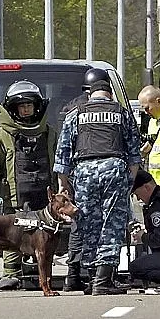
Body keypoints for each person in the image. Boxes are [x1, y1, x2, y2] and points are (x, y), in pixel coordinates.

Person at [54, 79, 142, 295]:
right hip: (114, 168)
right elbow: (134, 151)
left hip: (84, 172)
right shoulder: (121, 112)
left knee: (88, 224)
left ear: (90, 95)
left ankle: (92, 278)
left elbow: (63, 148)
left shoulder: (76, 113)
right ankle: (104, 280)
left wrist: (63, 182)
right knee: (111, 224)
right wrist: (128, 181)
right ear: (110, 94)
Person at [0, 81, 57, 290]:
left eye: (29, 105)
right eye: (21, 106)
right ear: (12, 109)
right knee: (13, 233)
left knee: (44, 234)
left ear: (37, 107)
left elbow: (58, 161)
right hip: (15, 196)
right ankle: (11, 272)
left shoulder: (49, 133)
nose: (25, 110)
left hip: (44, 194)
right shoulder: (3, 135)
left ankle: (43, 273)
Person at [60, 67, 112, 293]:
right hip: (103, 174)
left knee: (79, 224)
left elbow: (64, 146)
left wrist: (63, 179)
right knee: (102, 225)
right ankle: (94, 275)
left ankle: (73, 275)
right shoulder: (109, 108)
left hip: (77, 173)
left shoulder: (73, 109)